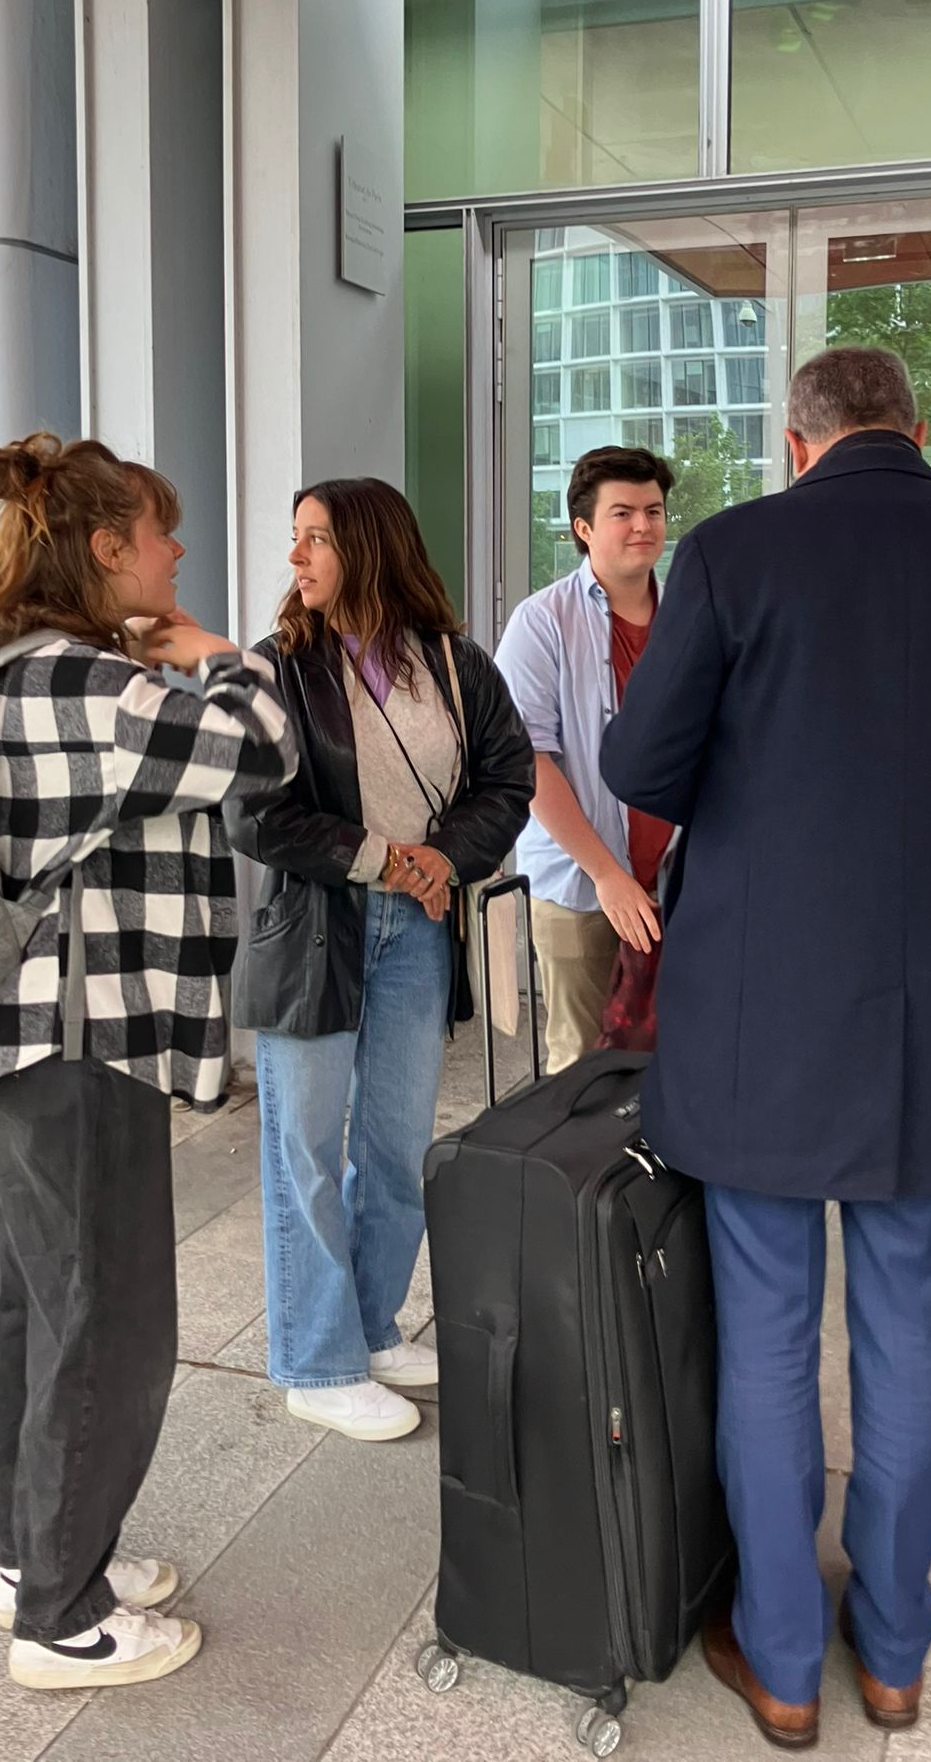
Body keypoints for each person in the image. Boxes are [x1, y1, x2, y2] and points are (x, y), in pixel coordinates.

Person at [601, 347, 931, 1746]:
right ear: (918, 430)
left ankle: (783, 1660)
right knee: (912, 1318)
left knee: (764, 1334)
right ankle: (896, 1649)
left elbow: (640, 765)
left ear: (797, 443)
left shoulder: (733, 550)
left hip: (765, 1002)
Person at [0, 434, 296, 1692]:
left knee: (41, 1310)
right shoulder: (75, 679)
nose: (176, 550)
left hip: (39, 1040)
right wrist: (220, 651)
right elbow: (261, 746)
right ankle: (62, 1618)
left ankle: (38, 1558)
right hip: (80, 1036)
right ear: (105, 548)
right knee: (109, 1323)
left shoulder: (32, 668)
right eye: (158, 533)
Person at [226, 478, 533, 1445]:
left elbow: (508, 778)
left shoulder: (452, 660)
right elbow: (254, 814)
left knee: (397, 1149)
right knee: (308, 1153)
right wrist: (382, 860)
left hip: (420, 927)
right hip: (317, 928)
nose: (295, 556)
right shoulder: (277, 667)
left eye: (315, 538)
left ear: (370, 547)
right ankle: (316, 1363)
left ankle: (371, 1325)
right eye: (296, 538)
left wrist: (441, 857)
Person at [495, 446, 676, 1072]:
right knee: (582, 1072)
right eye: (622, 513)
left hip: (676, 883)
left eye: (653, 511)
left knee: (676, 1065)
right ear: (583, 528)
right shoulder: (541, 622)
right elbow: (528, 761)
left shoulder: (689, 616)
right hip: (581, 887)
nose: (643, 526)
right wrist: (607, 875)